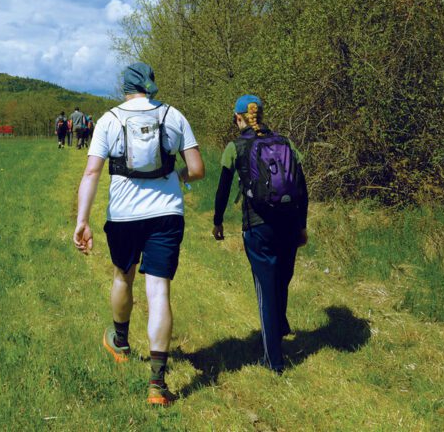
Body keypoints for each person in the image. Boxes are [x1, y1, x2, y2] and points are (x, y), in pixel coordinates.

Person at [73, 62, 204, 406]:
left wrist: (82, 221)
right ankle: (157, 386)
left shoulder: (109, 119)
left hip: (124, 216)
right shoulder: (174, 116)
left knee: (122, 277)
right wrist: (177, 178)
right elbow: (197, 169)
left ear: (125, 87)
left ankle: (120, 342)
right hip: (167, 214)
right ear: (151, 85)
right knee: (158, 290)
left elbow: (91, 173)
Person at [212, 95, 309, 374]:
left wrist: (218, 222)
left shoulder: (235, 147)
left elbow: (222, 190)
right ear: (261, 115)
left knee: (266, 288)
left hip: (258, 225)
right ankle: (280, 329)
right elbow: (302, 188)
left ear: (238, 118)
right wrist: (302, 225)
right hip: (290, 223)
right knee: (281, 280)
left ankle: (273, 360)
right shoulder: (286, 143)